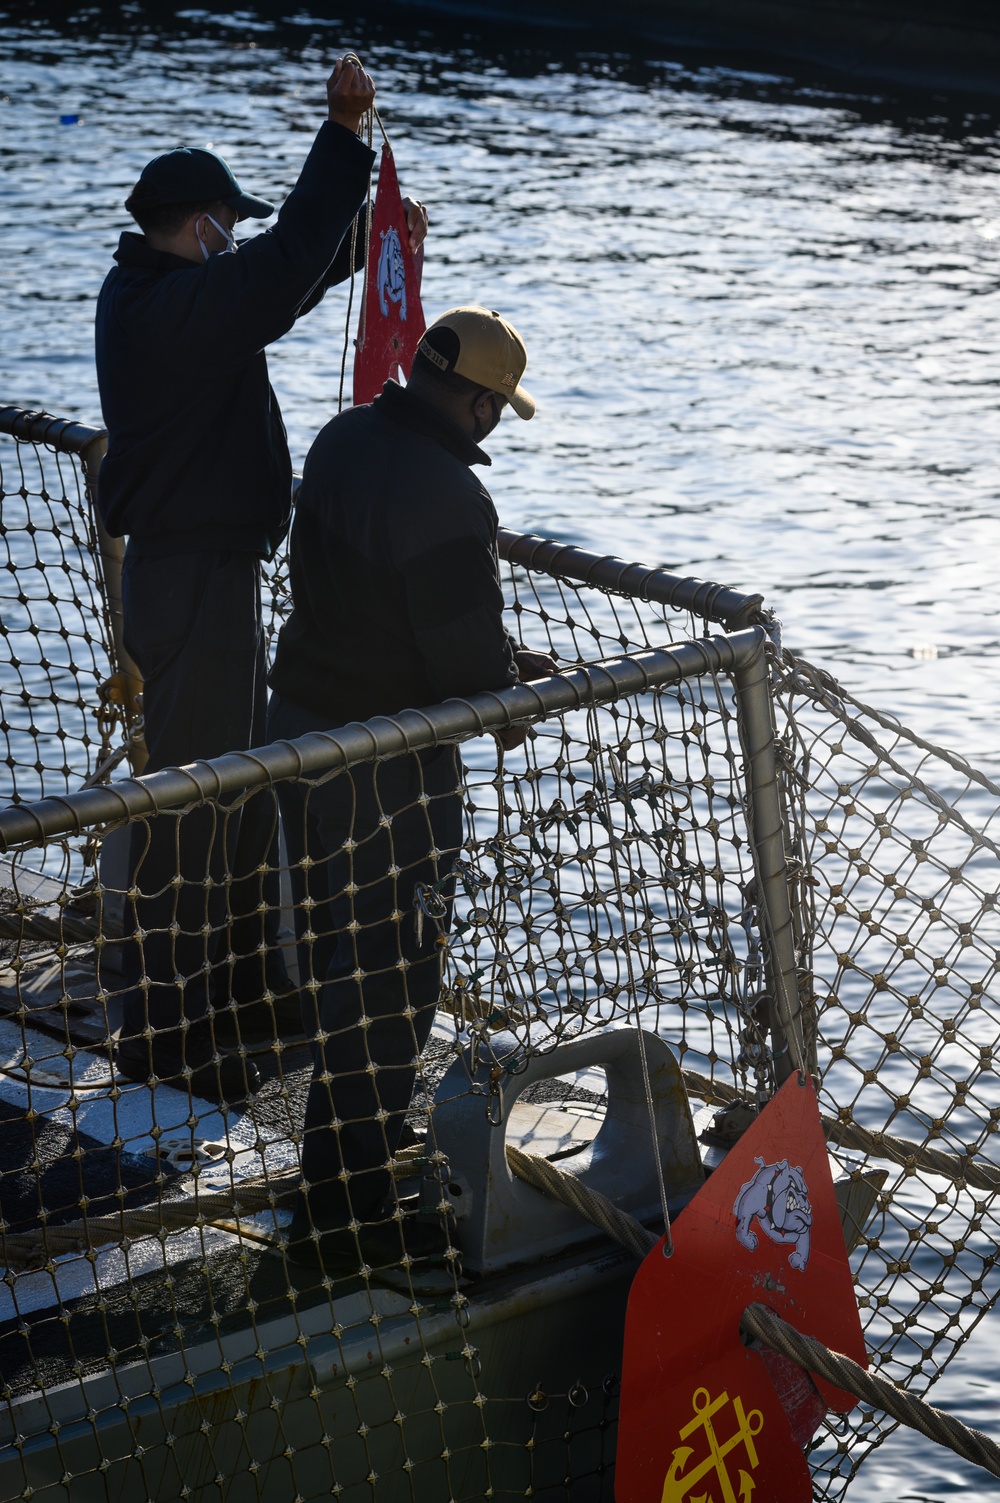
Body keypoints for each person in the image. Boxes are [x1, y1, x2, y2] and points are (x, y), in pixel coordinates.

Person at [95, 58, 429, 1104]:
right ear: (194, 225)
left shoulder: (175, 295)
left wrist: (370, 241)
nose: (231, 236)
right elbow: (271, 271)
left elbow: (283, 278)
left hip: (210, 572)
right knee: (187, 806)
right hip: (188, 584)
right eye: (223, 223)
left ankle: (238, 990)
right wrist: (342, 138)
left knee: (234, 798)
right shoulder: (166, 309)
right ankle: (162, 1026)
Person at [266, 306, 555, 1272]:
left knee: (337, 955)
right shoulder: (447, 493)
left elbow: (384, 608)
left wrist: (498, 660)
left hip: (299, 743)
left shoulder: (346, 435)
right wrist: (516, 694)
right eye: (497, 410)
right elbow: (466, 670)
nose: (494, 425)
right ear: (475, 399)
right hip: (388, 773)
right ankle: (347, 1207)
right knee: (394, 978)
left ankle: (332, 1167)